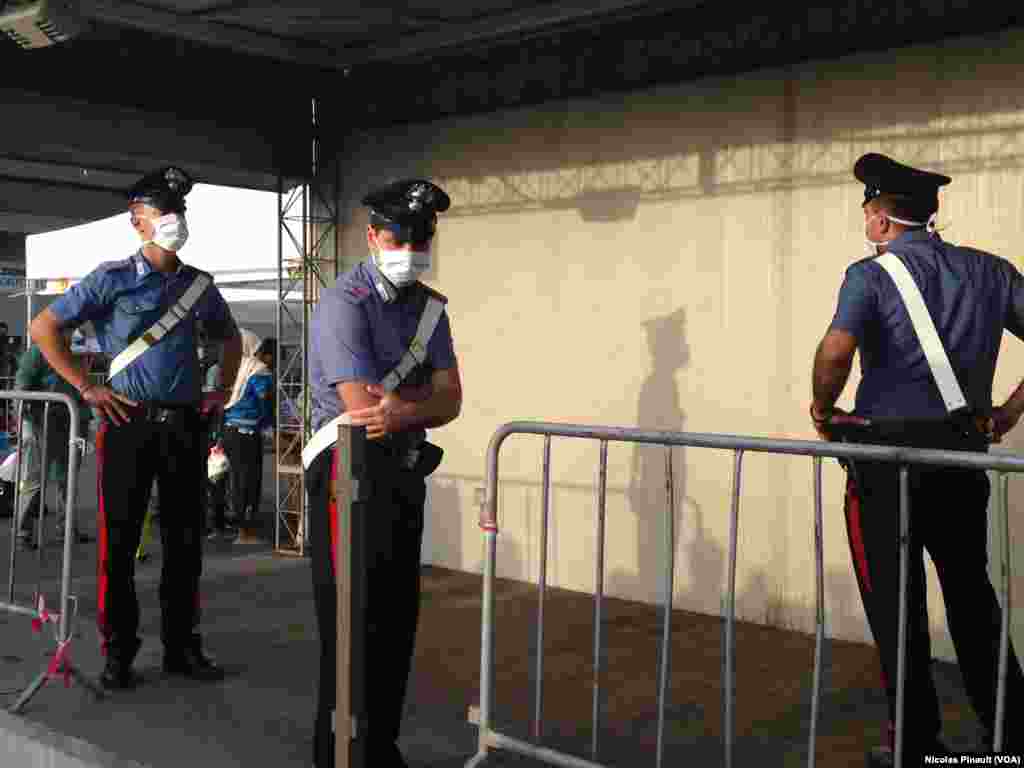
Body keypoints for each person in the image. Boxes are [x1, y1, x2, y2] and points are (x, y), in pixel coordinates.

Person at [811, 153, 1024, 765]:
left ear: (880, 221)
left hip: (886, 463)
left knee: (895, 606)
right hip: (961, 457)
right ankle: (1010, 735)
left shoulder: (868, 276)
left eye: (868, 213)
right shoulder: (991, 271)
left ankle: (916, 744)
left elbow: (836, 351)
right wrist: (1007, 413)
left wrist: (823, 409)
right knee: (971, 595)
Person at [28, 165, 242, 690]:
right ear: (138, 221)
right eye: (165, 213)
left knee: (185, 543)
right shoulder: (112, 278)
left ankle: (182, 648)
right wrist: (86, 386)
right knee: (119, 545)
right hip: (127, 424)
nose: (176, 221)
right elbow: (44, 326)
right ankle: (118, 654)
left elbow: (229, 337)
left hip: (186, 426)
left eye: (181, 212)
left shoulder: (198, 285)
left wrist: (221, 389)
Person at [305, 179, 462, 767]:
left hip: (399, 470)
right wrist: (417, 403)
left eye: (422, 238)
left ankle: (379, 749)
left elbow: (453, 400)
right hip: (347, 469)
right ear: (373, 236)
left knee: (396, 619)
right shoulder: (345, 301)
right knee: (351, 620)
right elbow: (361, 404)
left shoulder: (430, 308)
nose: (411, 249)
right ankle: (341, 755)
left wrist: (409, 409)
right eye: (399, 237)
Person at [13, 329, 97, 550]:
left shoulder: (80, 351)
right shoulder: (39, 352)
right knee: (34, 480)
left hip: (72, 421)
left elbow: (83, 386)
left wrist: (85, 424)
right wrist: (25, 426)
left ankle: (67, 530)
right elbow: (21, 388)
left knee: (68, 480)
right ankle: (22, 532)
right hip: (42, 422)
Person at [221, 331, 275, 544]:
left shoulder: (234, 368)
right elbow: (264, 398)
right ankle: (245, 532)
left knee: (237, 480)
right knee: (249, 481)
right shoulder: (257, 369)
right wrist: (268, 419)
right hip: (248, 434)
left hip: (230, 431)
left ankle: (240, 527)